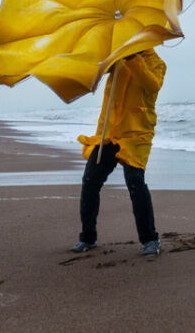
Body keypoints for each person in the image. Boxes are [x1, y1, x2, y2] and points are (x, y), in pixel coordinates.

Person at [71, 49, 166, 256]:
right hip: (109, 133)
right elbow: (96, 71)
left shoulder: (157, 63)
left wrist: (133, 59)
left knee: (135, 182)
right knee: (90, 181)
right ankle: (88, 238)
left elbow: (152, 85)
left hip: (136, 135)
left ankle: (150, 239)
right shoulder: (117, 60)